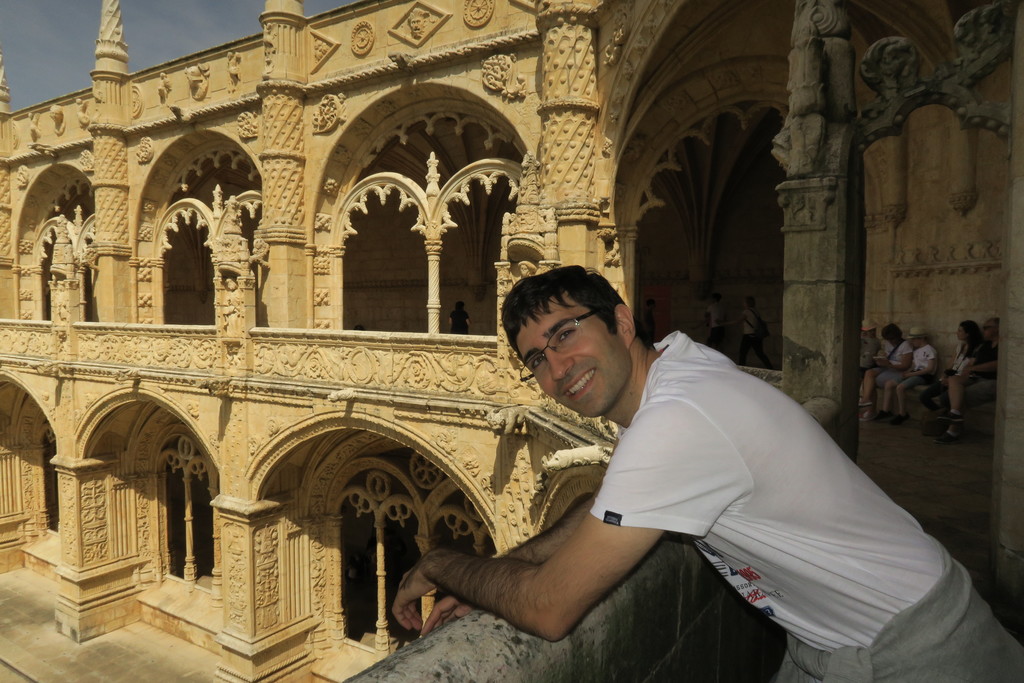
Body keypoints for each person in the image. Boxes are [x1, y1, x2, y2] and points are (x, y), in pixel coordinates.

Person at [391, 266, 1024, 681]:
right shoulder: (684, 368)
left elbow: (551, 609)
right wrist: (508, 567)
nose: (555, 367)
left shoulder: (676, 419)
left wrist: (444, 563)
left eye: (565, 334)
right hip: (831, 641)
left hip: (920, 649)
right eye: (536, 357)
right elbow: (610, 506)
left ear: (621, 321)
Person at [934, 317, 999, 445]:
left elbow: (999, 364)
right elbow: (971, 362)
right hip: (976, 377)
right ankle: (954, 414)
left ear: (997, 329)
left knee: (960, 396)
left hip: (991, 381)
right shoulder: (984, 345)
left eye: (986, 328)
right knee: (954, 381)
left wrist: (973, 368)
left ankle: (952, 431)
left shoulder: (1004, 345)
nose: (983, 330)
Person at [918, 320, 983, 413]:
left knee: (944, 399)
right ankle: (942, 414)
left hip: (961, 380)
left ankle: (949, 420)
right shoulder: (960, 346)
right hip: (950, 377)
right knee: (924, 396)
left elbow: (970, 368)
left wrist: (951, 380)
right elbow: (951, 363)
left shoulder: (977, 349)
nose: (957, 333)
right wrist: (944, 376)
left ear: (968, 333)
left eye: (960, 331)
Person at [881, 326, 936, 426]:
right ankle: (885, 410)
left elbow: (929, 369)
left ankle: (902, 413)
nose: (912, 342)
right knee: (889, 383)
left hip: (924, 376)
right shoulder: (916, 350)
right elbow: (914, 365)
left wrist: (911, 374)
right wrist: (907, 372)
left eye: (914, 339)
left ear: (922, 338)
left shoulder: (929, 350)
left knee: (900, 387)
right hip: (914, 372)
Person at [858, 323, 912, 421]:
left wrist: (888, 364)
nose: (890, 342)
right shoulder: (887, 343)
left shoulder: (905, 345)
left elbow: (905, 366)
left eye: (892, 339)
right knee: (869, 373)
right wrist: (880, 359)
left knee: (872, 381)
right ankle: (866, 400)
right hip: (887, 367)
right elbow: (888, 356)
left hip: (897, 370)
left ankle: (870, 409)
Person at [729, 296, 773, 369]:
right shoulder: (756, 311)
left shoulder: (746, 312)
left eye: (744, 302)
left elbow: (737, 321)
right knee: (760, 353)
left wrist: (724, 323)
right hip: (756, 335)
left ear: (747, 303)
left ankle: (741, 368)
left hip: (748, 336)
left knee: (743, 352)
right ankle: (770, 367)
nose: (743, 304)